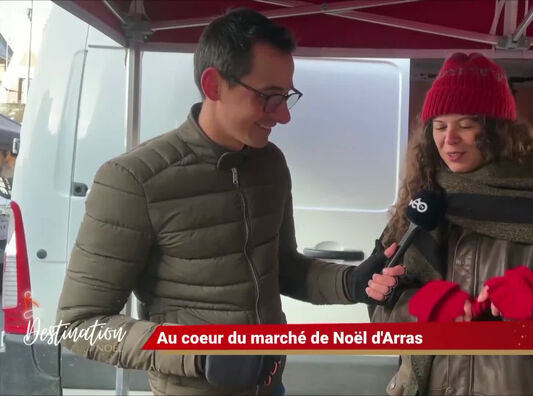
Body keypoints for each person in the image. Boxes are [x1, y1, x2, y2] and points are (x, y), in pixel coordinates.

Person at [56, 8, 395, 395]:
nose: (283, 116)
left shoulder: (271, 164)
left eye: (286, 97)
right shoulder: (135, 179)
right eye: (269, 98)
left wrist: (351, 282)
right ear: (214, 85)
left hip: (271, 386)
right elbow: (80, 324)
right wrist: (199, 353)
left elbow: (280, 268)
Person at [366, 53, 533, 395]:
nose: (449, 139)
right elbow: (381, 314)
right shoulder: (424, 195)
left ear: (497, 129)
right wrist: (418, 307)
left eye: (465, 125)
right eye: (439, 125)